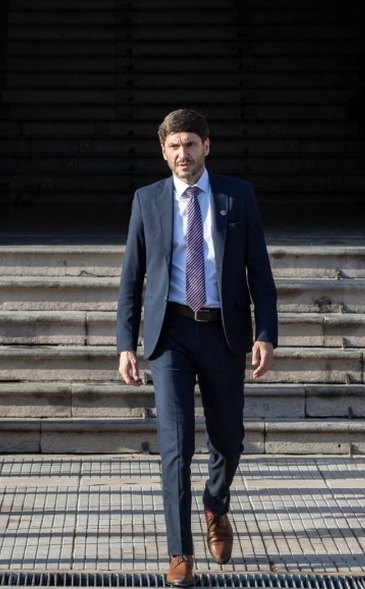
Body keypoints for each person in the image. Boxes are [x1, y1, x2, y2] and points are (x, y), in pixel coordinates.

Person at [116, 109, 278, 587]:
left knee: (229, 440)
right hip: (170, 336)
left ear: (206, 146)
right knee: (175, 445)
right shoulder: (147, 200)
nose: (182, 154)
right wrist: (127, 342)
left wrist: (265, 332)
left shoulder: (237, 196)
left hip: (223, 331)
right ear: (162, 152)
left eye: (189, 144)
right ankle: (179, 551)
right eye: (173, 146)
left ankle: (216, 504)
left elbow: (260, 274)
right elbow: (131, 278)